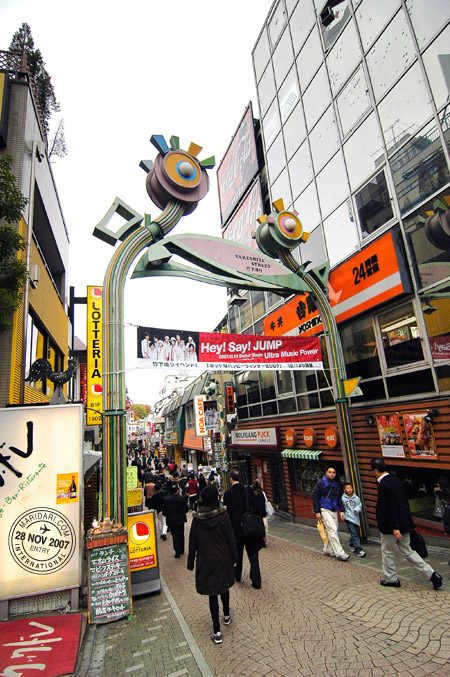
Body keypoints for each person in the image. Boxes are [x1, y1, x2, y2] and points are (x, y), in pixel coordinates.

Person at [370, 458, 442, 589]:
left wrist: (394, 528)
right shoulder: (396, 480)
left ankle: (391, 579)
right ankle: (432, 574)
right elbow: (403, 504)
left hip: (391, 527)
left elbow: (390, 507)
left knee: (387, 552)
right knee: (408, 551)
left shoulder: (384, 484)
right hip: (404, 523)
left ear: (376, 471)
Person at [187, 485, 238, 644]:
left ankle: (217, 631)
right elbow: (230, 538)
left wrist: (190, 563)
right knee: (224, 587)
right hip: (223, 557)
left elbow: (192, 542)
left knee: (212, 594)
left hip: (206, 559)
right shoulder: (223, 515)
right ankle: (227, 614)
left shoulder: (197, 519)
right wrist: (235, 557)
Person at [223, 470, 264, 589]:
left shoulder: (228, 494)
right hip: (249, 526)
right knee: (253, 554)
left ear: (231, 479)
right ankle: (257, 579)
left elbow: (227, 513)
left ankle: (237, 575)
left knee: (237, 553)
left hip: (236, 528)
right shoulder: (248, 490)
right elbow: (255, 506)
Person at [312, 466, 349, 561]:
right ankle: (340, 553)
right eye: (330, 472)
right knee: (332, 529)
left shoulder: (336, 485)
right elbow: (315, 497)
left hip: (333, 509)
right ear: (326, 473)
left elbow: (339, 498)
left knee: (332, 530)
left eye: (333, 472)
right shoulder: (320, 484)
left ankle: (328, 549)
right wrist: (317, 511)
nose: (332, 474)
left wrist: (341, 510)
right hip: (324, 509)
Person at [162, 483, 189, 558]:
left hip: (171, 520)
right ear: (177, 491)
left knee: (174, 535)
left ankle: (177, 551)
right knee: (181, 534)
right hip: (181, 519)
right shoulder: (182, 498)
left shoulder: (166, 500)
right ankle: (182, 549)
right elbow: (186, 508)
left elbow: (164, 511)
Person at [342, 482, 365, 557]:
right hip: (348, 518)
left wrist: (356, 509)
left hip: (355, 518)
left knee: (356, 532)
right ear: (344, 489)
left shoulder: (356, 498)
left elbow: (359, 505)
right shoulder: (343, 498)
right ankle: (359, 550)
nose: (349, 490)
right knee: (354, 533)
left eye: (350, 488)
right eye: (347, 488)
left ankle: (351, 543)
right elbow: (342, 507)